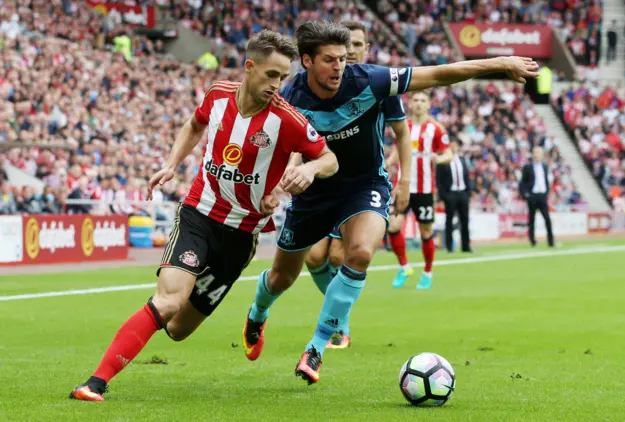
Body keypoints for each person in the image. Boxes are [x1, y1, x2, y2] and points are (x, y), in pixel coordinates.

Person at [241, 20, 539, 385]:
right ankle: (257, 313)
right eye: (330, 60)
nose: (340, 66)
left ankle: (317, 346)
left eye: (343, 58)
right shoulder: (288, 100)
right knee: (282, 277)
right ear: (306, 61)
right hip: (315, 194)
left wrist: (500, 62)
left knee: (360, 253)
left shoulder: (371, 80)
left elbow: (440, 73)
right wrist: (276, 186)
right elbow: (277, 151)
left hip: (365, 186)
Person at [69, 30, 338, 402]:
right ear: (249, 67)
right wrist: (170, 165)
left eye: (283, 77)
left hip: (240, 237)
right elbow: (194, 125)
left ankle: (245, 312)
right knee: (168, 302)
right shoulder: (218, 95)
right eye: (271, 75)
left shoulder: (287, 119)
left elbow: (329, 159)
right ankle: (94, 383)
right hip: (198, 215)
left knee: (178, 329)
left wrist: (308, 171)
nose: (278, 85)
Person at [301, 20, 411, 349]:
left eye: (358, 46)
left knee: (338, 256)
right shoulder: (321, 85)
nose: (351, 52)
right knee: (312, 258)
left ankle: (337, 325)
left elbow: (402, 134)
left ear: (366, 48)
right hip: (321, 183)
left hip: (360, 186)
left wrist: (405, 180)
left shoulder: (377, 84)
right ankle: (338, 319)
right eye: (345, 48)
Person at [387, 91, 452, 289]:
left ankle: (427, 272)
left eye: (423, 100)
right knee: (393, 226)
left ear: (429, 104)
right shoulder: (403, 126)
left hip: (424, 189)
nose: (418, 103)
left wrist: (438, 159)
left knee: (426, 231)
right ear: (410, 103)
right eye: (415, 100)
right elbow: (398, 151)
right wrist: (388, 163)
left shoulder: (436, 129)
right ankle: (404, 266)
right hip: (403, 187)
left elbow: (448, 153)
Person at [436, 139, 471, 253]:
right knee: (449, 220)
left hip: (462, 193)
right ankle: (449, 246)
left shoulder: (462, 160)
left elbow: (466, 178)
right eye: (451, 145)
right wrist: (442, 197)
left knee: (465, 220)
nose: (453, 147)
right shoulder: (443, 161)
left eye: (455, 145)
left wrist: (467, 193)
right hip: (450, 194)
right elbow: (439, 181)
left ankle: (466, 246)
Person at [519, 146, 554, 248]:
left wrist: (547, 192)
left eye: (539, 153)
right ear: (533, 155)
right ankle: (532, 241)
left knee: (547, 219)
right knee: (532, 220)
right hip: (533, 196)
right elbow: (522, 183)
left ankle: (551, 241)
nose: (538, 155)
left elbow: (546, 181)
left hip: (542, 196)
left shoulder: (545, 167)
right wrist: (526, 194)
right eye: (536, 153)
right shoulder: (528, 167)